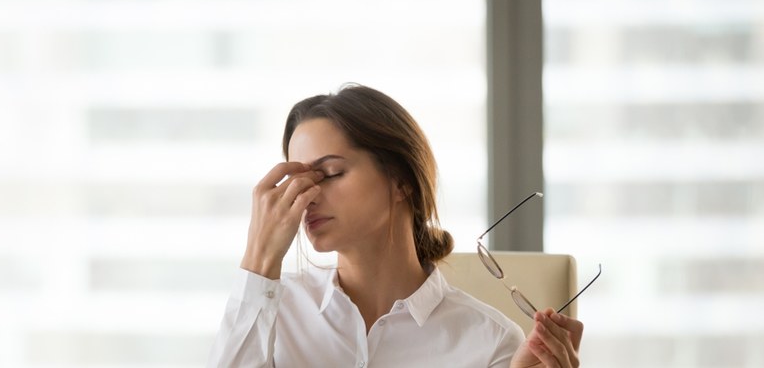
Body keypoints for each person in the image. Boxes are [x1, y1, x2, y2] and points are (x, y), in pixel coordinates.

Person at [208, 84, 584, 367]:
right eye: (298, 182)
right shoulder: (273, 311)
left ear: (402, 180)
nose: (307, 196)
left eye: (331, 173)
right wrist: (259, 260)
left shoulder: (491, 341)